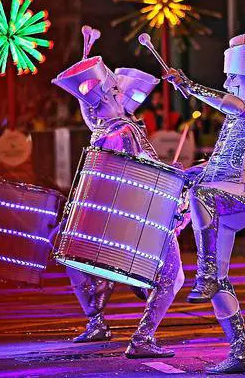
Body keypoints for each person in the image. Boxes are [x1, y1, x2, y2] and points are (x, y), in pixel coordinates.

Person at [51, 28, 184, 358]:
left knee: (94, 266)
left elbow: (87, 101)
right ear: (109, 98)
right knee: (172, 277)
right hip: (142, 215)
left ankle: (97, 321)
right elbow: (142, 173)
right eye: (114, 90)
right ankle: (142, 337)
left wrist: (86, 51)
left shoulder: (101, 129)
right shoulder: (122, 130)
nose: (122, 94)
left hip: (106, 217)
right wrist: (177, 173)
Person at [165, 32, 245, 374]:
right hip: (224, 200)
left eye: (233, 78)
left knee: (201, 195)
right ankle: (243, 351)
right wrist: (192, 171)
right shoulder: (235, 120)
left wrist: (191, 87)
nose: (227, 83)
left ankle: (203, 273)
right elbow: (222, 163)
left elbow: (236, 106)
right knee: (222, 280)